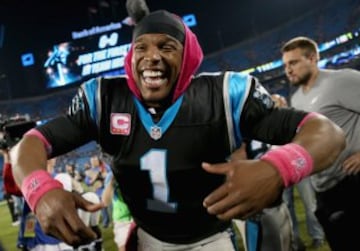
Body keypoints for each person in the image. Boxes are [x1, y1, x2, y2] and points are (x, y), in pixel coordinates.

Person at [9, 2, 345, 250]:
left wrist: (279, 168)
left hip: (212, 240)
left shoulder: (224, 95)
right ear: (130, 58)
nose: (151, 57)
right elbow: (32, 143)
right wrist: (40, 189)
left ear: (187, 59)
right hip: (147, 240)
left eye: (166, 47)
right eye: (141, 48)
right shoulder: (105, 99)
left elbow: (326, 132)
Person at [281, 36, 360, 251]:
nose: (288, 69)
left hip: (352, 181)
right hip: (325, 189)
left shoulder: (341, 80)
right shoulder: (296, 99)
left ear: (313, 58)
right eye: (286, 65)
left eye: (294, 62)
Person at [271, 94, 325, 250]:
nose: (274, 105)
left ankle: (317, 236)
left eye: (276, 102)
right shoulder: (266, 122)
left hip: (298, 165)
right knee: (287, 207)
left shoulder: (294, 118)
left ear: (283, 102)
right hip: (280, 170)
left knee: (310, 204)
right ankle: (295, 241)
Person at [102, 172, 133, 251]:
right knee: (124, 248)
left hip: (140, 218)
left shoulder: (136, 170)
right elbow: (106, 202)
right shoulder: (111, 175)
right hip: (123, 220)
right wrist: (112, 182)